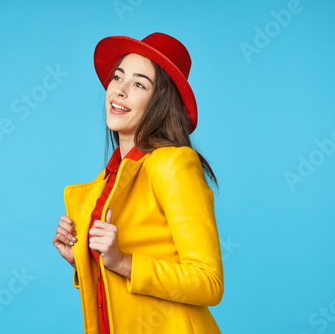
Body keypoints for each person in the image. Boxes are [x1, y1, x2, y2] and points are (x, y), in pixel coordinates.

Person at [52, 32, 224, 333]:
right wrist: (81, 259)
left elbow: (209, 283)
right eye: (118, 78)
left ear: (160, 102)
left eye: (139, 84)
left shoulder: (173, 165)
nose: (119, 90)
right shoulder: (110, 180)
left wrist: (122, 261)